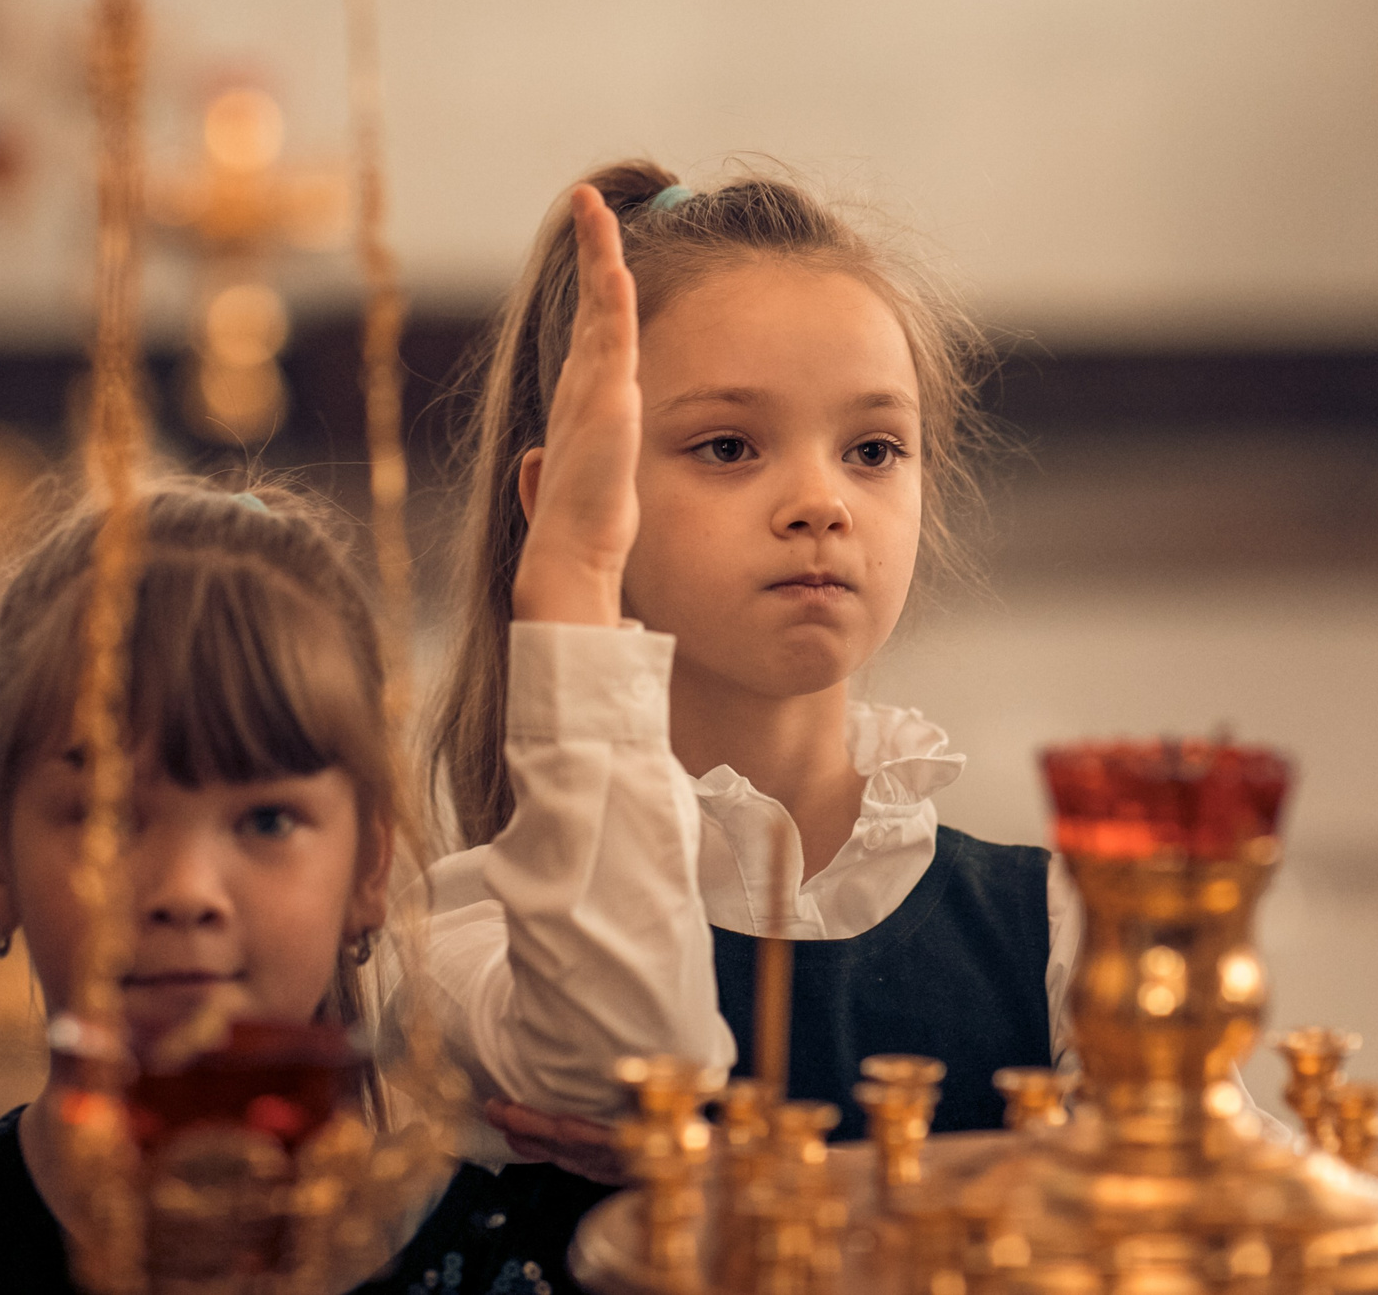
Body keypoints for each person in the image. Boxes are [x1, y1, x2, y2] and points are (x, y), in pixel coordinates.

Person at [410, 165, 1067, 1196]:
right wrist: (573, 582)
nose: (820, 500)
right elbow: (627, 1072)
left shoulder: (1056, 927)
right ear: (569, 501)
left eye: (873, 448)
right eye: (727, 444)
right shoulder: (466, 937)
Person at [0, 483, 470, 1293]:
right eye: (105, 820)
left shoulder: (509, 1264)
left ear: (369, 867)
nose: (187, 891)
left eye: (267, 820)